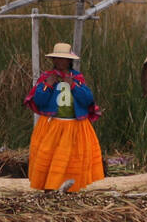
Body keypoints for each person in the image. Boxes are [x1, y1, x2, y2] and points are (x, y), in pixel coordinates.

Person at [24, 42, 104, 193]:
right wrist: (48, 85)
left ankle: (71, 189)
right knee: (50, 157)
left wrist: (73, 85)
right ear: (53, 60)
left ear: (69, 61)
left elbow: (88, 99)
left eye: (63, 59)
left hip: (74, 126)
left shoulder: (77, 78)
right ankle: (50, 187)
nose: (60, 62)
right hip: (52, 125)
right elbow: (39, 101)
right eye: (57, 58)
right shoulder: (47, 78)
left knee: (71, 158)